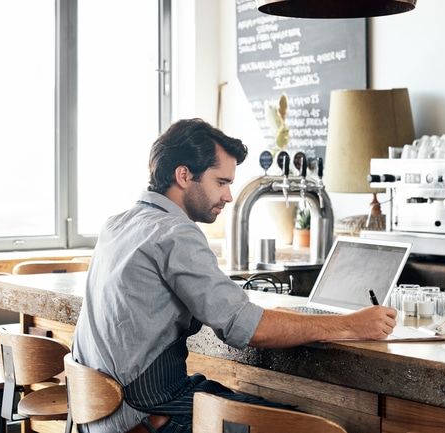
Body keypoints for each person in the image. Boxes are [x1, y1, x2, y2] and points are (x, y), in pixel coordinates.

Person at [72, 118, 397, 433]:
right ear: (184, 176)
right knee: (302, 425)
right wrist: (352, 324)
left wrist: (278, 319)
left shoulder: (118, 223)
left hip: (98, 415)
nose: (228, 196)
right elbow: (249, 329)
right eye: (222, 182)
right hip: (146, 417)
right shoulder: (175, 233)